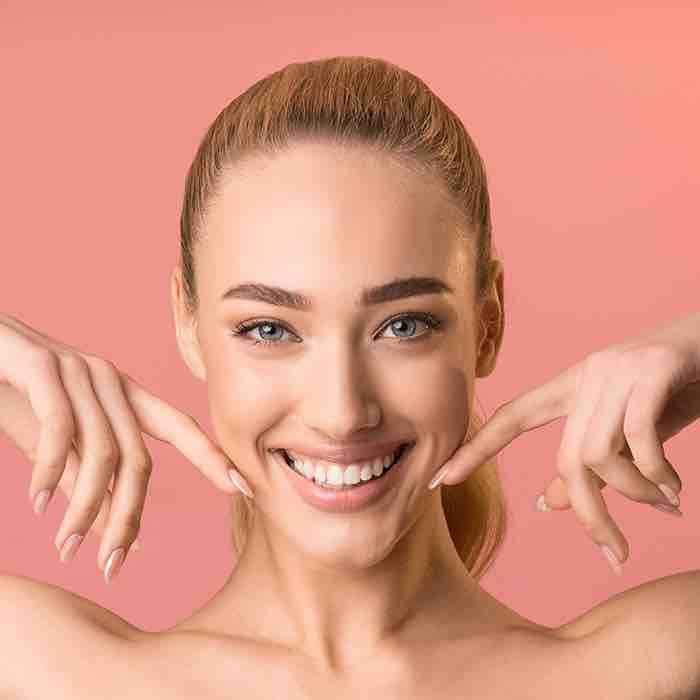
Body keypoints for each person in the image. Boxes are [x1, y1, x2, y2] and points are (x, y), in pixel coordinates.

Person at [1, 56, 699, 698]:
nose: (341, 413)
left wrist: (688, 352)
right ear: (189, 326)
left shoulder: (649, 666)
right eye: (269, 329)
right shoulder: (55, 671)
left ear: (487, 323)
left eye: (404, 325)